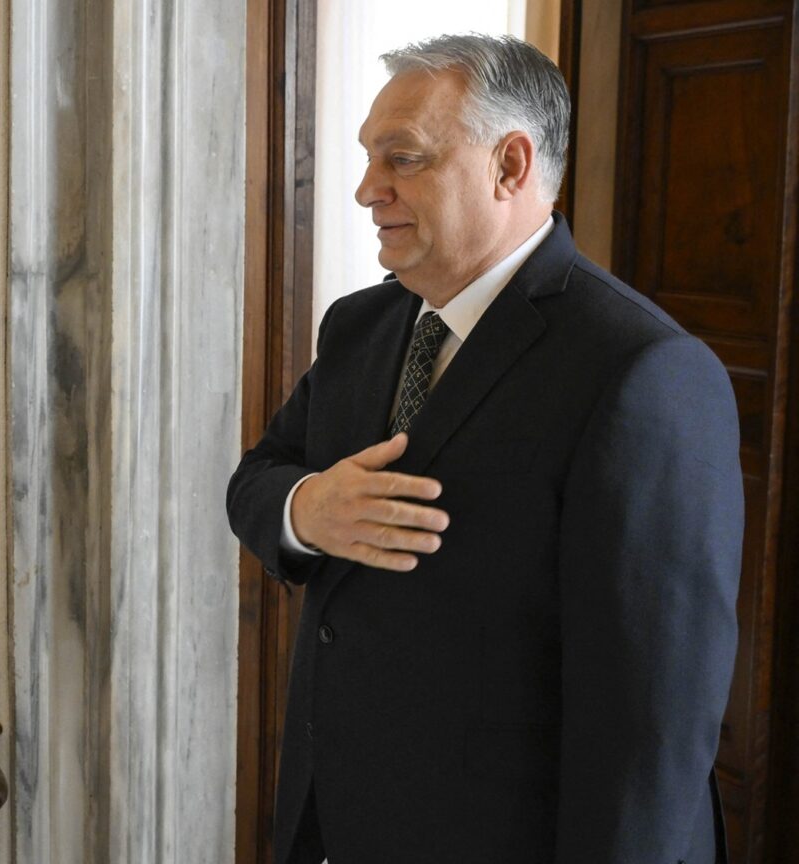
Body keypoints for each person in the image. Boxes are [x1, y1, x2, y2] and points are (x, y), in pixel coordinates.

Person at [226, 34, 742, 864]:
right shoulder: (358, 325)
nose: (367, 189)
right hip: (338, 822)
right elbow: (257, 479)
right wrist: (305, 510)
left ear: (509, 166)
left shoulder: (645, 372)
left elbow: (653, 723)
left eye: (404, 158)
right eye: (368, 158)